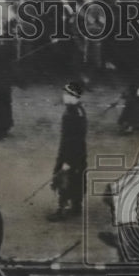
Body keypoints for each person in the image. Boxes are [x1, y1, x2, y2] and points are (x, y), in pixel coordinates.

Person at [48, 82, 88, 221]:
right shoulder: (79, 110)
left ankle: (62, 210)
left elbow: (71, 140)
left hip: (70, 153)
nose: (64, 96)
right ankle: (76, 206)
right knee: (77, 180)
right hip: (80, 153)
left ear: (73, 96)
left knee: (64, 180)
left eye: (66, 94)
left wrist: (67, 161)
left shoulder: (71, 115)